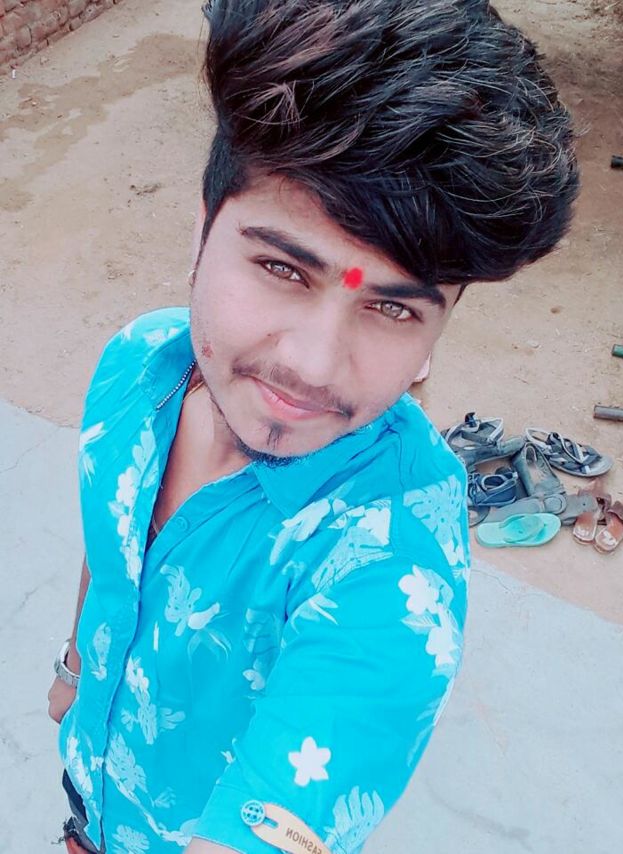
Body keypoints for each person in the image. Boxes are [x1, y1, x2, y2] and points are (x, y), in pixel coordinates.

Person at [47, 0, 578, 851]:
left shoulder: (393, 558)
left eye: (393, 311)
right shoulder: (136, 365)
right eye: (282, 268)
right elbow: (109, 537)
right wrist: (75, 670)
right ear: (201, 231)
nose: (315, 366)